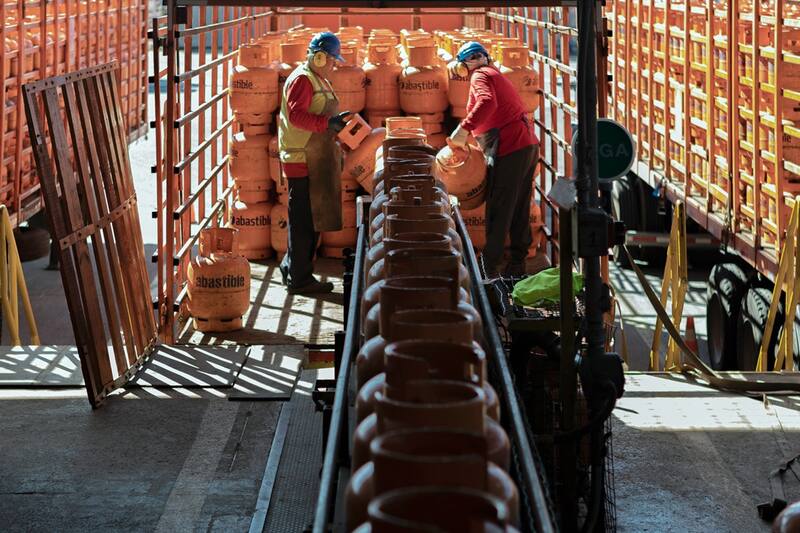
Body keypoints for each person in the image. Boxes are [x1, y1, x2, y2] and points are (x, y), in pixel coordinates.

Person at [448, 41, 540, 278]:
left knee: (499, 207)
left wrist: (464, 128)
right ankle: (517, 263)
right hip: (526, 145)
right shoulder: (494, 73)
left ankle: (489, 266)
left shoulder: (479, 76)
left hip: (509, 147)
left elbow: (487, 102)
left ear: (462, 65)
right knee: (519, 206)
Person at [278, 32, 351, 294]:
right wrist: (326, 124)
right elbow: (297, 116)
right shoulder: (303, 80)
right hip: (302, 157)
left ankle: (291, 267)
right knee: (304, 222)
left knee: (305, 219)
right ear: (319, 57)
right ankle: (300, 280)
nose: (334, 65)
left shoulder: (316, 78)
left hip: (312, 156)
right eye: (331, 60)